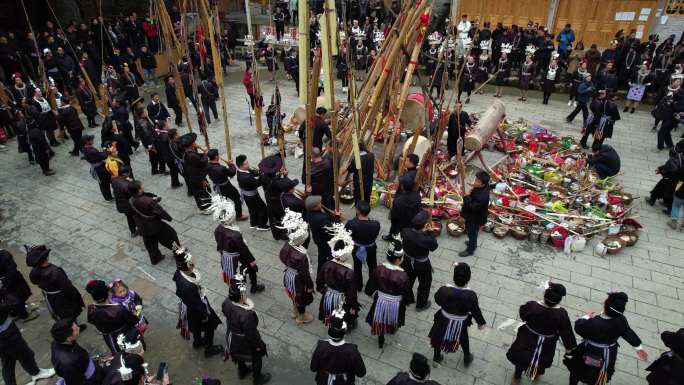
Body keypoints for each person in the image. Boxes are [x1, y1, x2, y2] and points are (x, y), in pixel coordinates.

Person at [563, 292, 648, 385]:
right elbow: (628, 333)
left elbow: (579, 327)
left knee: (577, 367)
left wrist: (586, 317)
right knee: (600, 373)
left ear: (606, 305)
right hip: (607, 352)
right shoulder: (621, 320)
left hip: (588, 349)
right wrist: (638, 348)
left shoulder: (594, 322)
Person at [506, 282, 576, 385]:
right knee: (541, 362)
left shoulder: (532, 306)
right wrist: (569, 347)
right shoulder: (562, 314)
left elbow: (523, 314)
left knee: (521, 359)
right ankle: (535, 377)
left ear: (545, 295)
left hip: (526, 338)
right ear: (559, 300)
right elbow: (566, 331)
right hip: (547, 345)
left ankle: (517, 377)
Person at [429, 262, 486, 367]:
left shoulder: (444, 290)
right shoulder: (471, 295)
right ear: (468, 278)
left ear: (454, 277)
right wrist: (480, 323)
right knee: (463, 337)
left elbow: (437, 300)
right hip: (461, 322)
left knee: (438, 335)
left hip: (443, 319)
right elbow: (475, 310)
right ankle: (467, 357)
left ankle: (437, 356)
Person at [172, 245, 224, 357]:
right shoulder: (188, 286)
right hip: (196, 308)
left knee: (195, 326)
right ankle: (209, 349)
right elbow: (197, 304)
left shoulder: (178, 273)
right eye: (190, 263)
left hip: (189, 306)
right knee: (209, 326)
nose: (193, 265)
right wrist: (205, 315)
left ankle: (197, 342)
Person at [221, 272, 271, 385]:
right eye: (244, 292)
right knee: (257, 356)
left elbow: (225, 312)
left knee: (238, 356)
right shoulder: (246, 316)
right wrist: (258, 346)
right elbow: (251, 334)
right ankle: (257, 379)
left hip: (232, 337)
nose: (246, 293)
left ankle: (242, 370)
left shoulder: (227, 302)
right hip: (244, 341)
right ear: (241, 295)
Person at [209, 194, 265, 293]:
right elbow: (243, 249)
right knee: (250, 268)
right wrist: (252, 260)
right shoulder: (235, 235)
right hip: (238, 255)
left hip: (226, 255)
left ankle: (240, 283)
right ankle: (254, 286)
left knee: (235, 271)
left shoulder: (218, 229)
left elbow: (219, 244)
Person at [26, 245, 86, 327]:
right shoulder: (55, 272)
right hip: (62, 297)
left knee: (59, 312)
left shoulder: (34, 271)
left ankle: (67, 326)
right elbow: (67, 287)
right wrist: (74, 296)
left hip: (50, 297)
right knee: (70, 313)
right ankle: (72, 329)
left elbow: (34, 281)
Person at [365, 238, 409, 349]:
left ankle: (380, 337)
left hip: (380, 300)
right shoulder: (403, 276)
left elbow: (371, 285)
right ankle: (391, 328)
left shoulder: (379, 269)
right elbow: (406, 293)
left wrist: (372, 293)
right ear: (399, 259)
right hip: (395, 304)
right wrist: (406, 301)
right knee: (393, 319)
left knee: (379, 319)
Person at [0, 303, 55, 385]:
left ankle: (34, 372)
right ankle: (36, 373)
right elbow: (5, 308)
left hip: (6, 332)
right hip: (5, 335)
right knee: (25, 354)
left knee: (8, 362)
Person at [316, 223, 359, 328]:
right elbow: (351, 293)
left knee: (329, 310)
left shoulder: (327, 264)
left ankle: (331, 323)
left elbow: (319, 280)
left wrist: (322, 290)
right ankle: (342, 326)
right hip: (341, 298)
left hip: (328, 295)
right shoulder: (349, 272)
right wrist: (354, 306)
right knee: (343, 314)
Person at [129, 180, 180, 264]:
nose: (143, 187)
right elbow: (160, 211)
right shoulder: (148, 201)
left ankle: (155, 258)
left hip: (142, 226)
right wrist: (168, 218)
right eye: (141, 186)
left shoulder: (131, 200)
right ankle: (179, 254)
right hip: (154, 225)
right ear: (139, 190)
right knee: (171, 236)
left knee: (150, 243)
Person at [310, 309, 366, 385]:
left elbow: (313, 368)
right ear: (344, 333)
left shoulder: (321, 346)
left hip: (324, 381)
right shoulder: (352, 350)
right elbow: (361, 373)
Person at [279, 209, 316, 324]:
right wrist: (310, 286)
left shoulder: (287, 244)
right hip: (299, 279)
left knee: (293, 294)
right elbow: (305, 273)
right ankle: (301, 316)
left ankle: (294, 310)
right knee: (302, 297)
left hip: (288, 274)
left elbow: (281, 256)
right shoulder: (302, 255)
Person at [85, 280, 140, 355]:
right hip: (124, 333)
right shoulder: (119, 310)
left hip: (109, 337)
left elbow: (92, 321)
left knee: (118, 352)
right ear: (108, 293)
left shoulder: (91, 309)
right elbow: (134, 320)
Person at [400, 211, 438, 311]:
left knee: (408, 280)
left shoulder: (405, 231)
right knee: (425, 283)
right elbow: (434, 246)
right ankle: (421, 304)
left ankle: (406, 299)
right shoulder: (426, 239)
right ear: (425, 225)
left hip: (407, 260)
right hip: (422, 264)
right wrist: (430, 232)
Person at [50, 319, 104, 385]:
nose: (79, 328)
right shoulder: (67, 364)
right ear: (69, 338)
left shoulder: (58, 342)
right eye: (76, 329)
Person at [345, 201, 380, 294]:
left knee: (357, 267)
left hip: (356, 248)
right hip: (371, 248)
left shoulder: (351, 223)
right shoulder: (376, 224)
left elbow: (347, 235)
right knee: (372, 267)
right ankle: (371, 288)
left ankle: (358, 286)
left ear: (357, 211)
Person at [645, 140, 684, 214]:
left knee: (660, 188)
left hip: (671, 178)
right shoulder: (680, 156)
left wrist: (661, 169)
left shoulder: (676, 157)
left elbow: (669, 167)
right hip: (678, 179)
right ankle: (668, 207)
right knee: (671, 193)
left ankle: (652, 200)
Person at [207, 149, 246, 221]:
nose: (219, 156)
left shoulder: (208, 165)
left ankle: (223, 215)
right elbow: (232, 173)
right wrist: (231, 165)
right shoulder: (221, 168)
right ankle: (239, 215)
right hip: (226, 186)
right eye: (218, 155)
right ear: (216, 157)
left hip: (217, 186)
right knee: (237, 198)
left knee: (223, 200)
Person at [459, 171, 490, 257]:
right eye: (476, 179)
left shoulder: (482, 196)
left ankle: (470, 250)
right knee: (472, 231)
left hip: (475, 217)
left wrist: (466, 196)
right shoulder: (484, 187)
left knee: (472, 232)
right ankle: (473, 243)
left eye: (477, 181)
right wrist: (473, 189)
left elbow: (472, 207)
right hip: (473, 216)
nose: (475, 182)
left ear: (483, 184)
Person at [236, 154, 270, 230]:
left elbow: (251, 172)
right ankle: (261, 225)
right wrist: (262, 175)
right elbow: (258, 183)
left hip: (247, 195)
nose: (248, 164)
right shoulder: (246, 177)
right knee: (263, 208)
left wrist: (257, 172)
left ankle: (254, 223)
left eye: (247, 162)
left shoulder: (240, 171)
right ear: (241, 166)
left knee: (252, 209)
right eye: (246, 163)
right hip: (252, 196)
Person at [0, 249, 35, 321]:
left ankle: (14, 313)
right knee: (18, 297)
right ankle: (24, 316)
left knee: (8, 298)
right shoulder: (4, 254)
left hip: (2, 281)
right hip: (12, 280)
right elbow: (12, 269)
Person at [382, 177, 421, 242]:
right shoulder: (417, 196)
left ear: (402, 187)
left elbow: (394, 215)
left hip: (399, 223)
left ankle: (393, 239)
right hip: (411, 221)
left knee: (397, 234)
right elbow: (418, 208)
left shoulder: (398, 200)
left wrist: (393, 221)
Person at [181, 133, 211, 214]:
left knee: (200, 191)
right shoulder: (191, 155)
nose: (195, 143)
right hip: (196, 176)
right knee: (201, 191)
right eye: (194, 142)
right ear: (191, 144)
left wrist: (203, 154)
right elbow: (202, 162)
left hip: (193, 175)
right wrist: (205, 155)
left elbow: (197, 157)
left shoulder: (189, 152)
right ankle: (204, 208)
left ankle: (205, 205)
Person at [305, 195, 335, 273]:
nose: (321, 204)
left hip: (318, 239)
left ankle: (320, 276)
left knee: (321, 256)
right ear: (314, 207)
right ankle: (325, 275)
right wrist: (337, 220)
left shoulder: (309, 213)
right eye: (319, 203)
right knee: (328, 257)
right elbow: (332, 230)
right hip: (325, 241)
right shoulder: (321, 218)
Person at [82, 135, 113, 201]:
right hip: (100, 169)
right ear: (87, 142)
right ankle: (108, 198)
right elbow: (103, 156)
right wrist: (106, 150)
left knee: (103, 183)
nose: (92, 140)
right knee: (104, 183)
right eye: (91, 139)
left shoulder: (85, 148)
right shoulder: (91, 151)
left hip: (97, 167)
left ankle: (108, 197)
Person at [111, 165, 138, 237]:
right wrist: (132, 182)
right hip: (129, 205)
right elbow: (134, 193)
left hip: (120, 204)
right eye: (129, 172)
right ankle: (140, 229)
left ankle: (133, 232)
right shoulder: (127, 184)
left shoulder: (114, 179)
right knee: (135, 217)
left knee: (129, 217)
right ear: (126, 173)